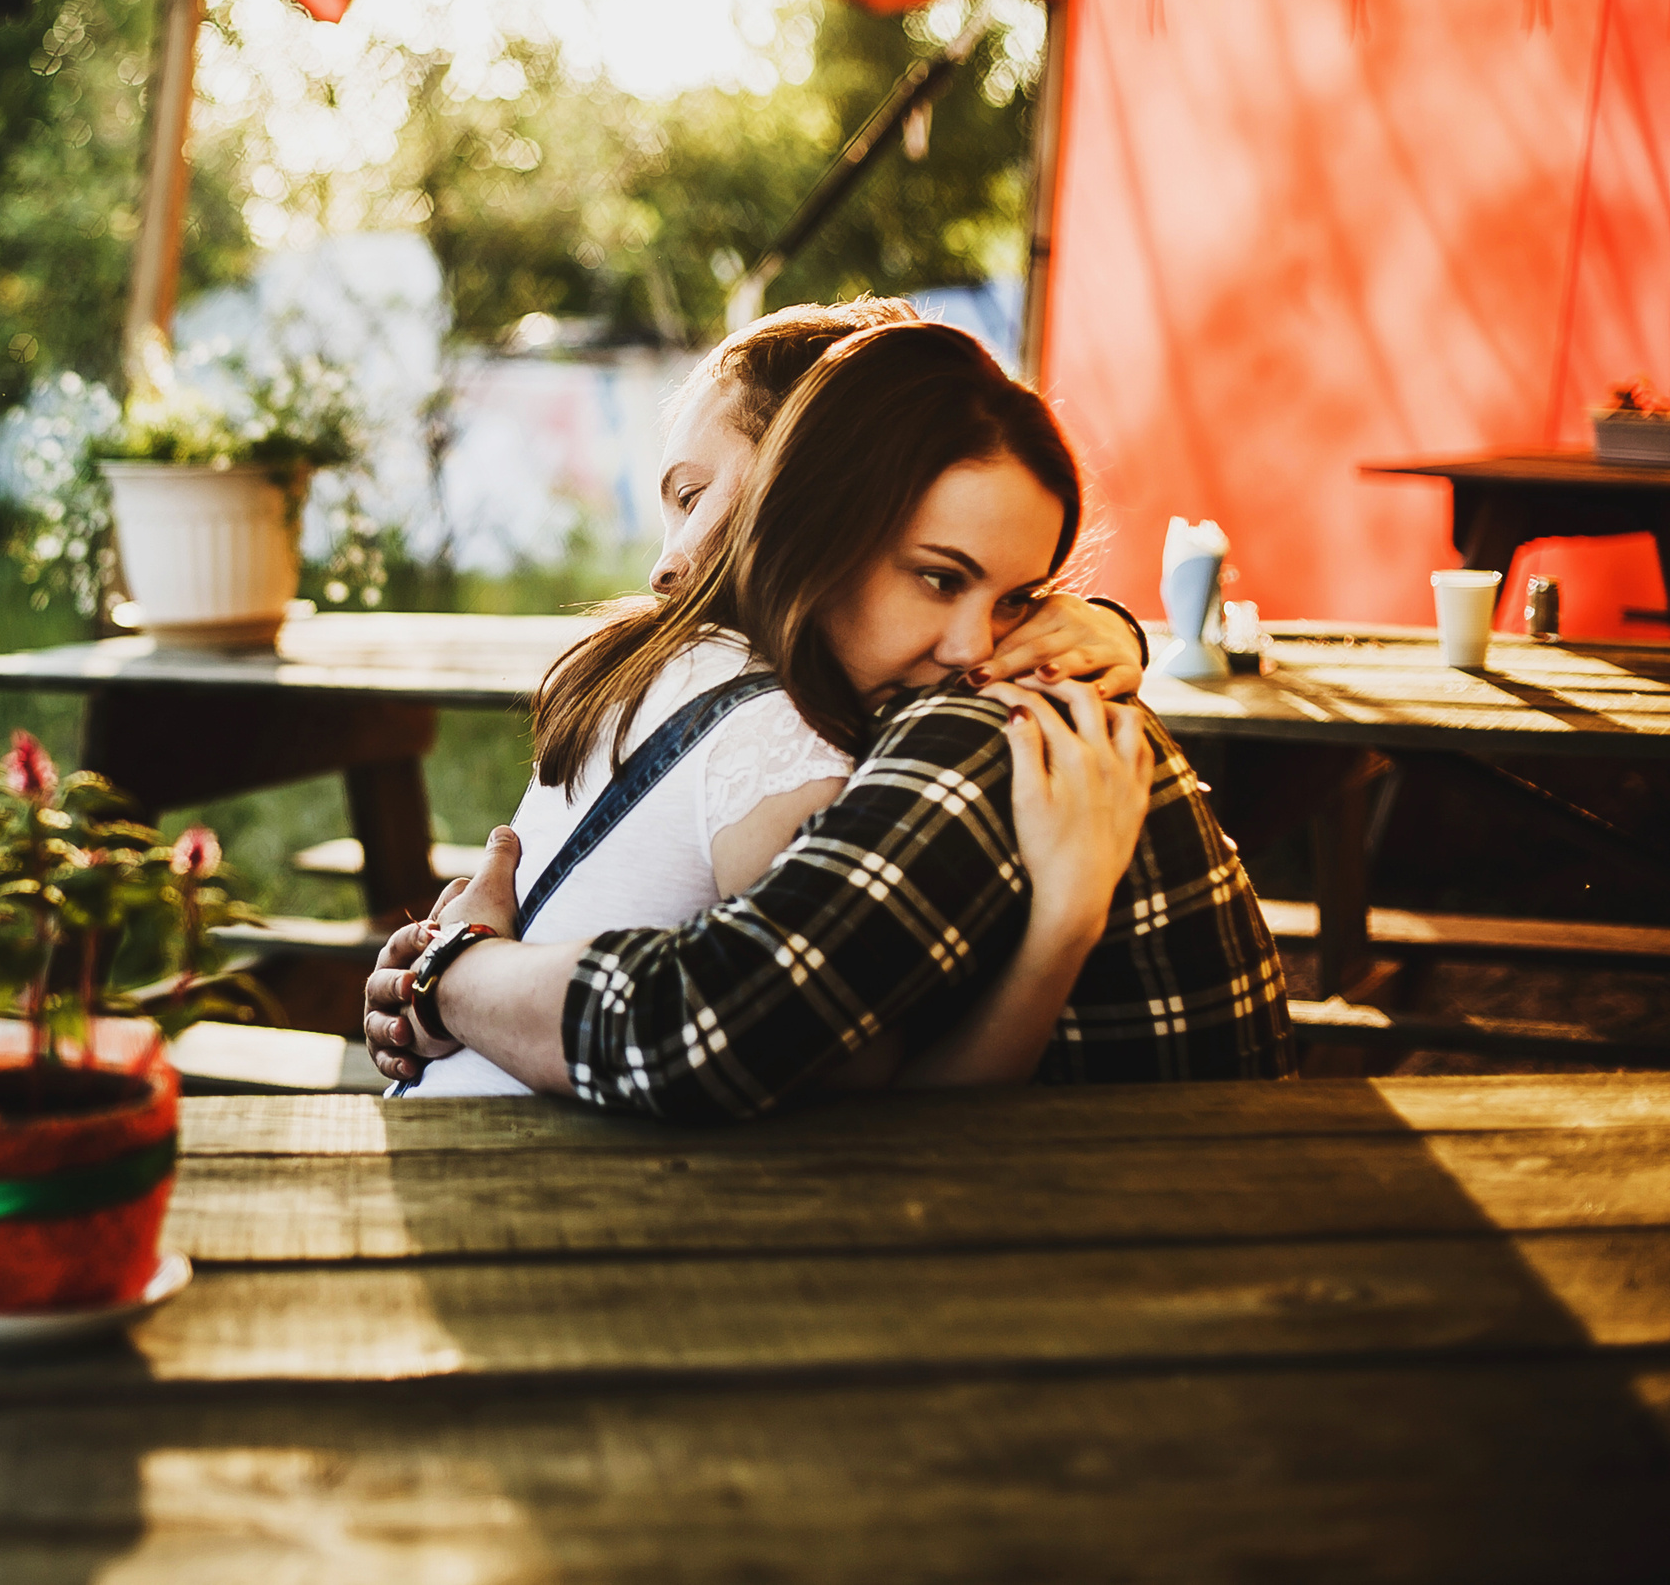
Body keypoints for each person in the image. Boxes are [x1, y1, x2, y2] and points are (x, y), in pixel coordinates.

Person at [367, 320, 1295, 1116]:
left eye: (1020, 595)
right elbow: (816, 1080)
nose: (978, 647)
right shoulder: (772, 699)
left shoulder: (953, 723)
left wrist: (450, 972)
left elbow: (744, 1054)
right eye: (939, 576)